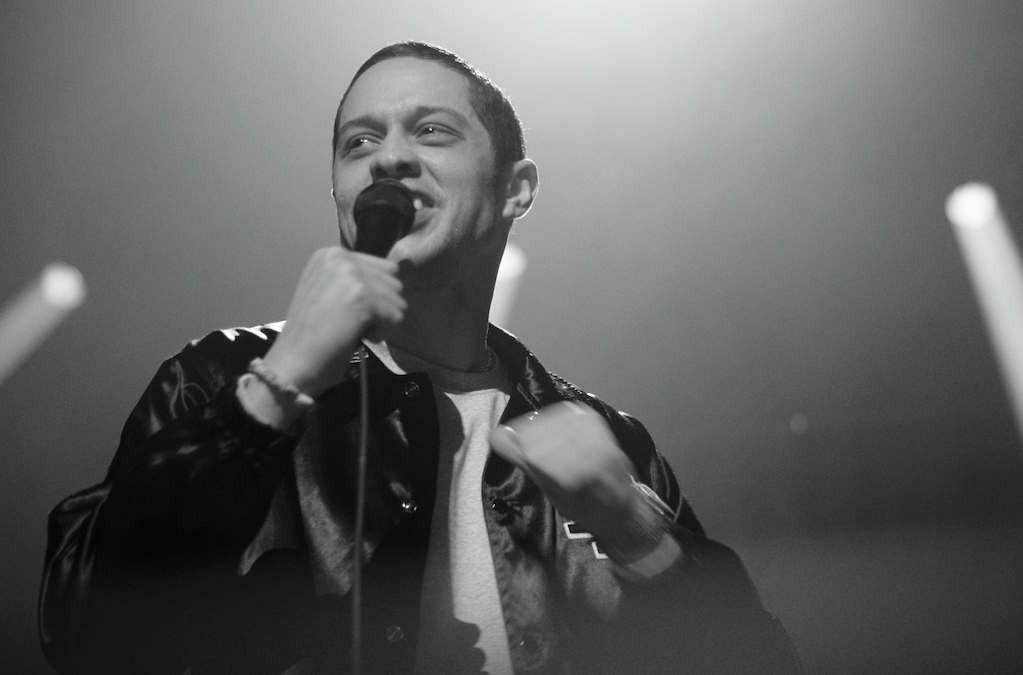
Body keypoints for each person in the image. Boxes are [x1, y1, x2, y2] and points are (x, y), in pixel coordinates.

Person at [39, 42, 800, 675]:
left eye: (431, 131)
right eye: (359, 143)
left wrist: (639, 536)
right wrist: (274, 391)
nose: (388, 160)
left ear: (516, 189)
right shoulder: (221, 377)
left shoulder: (608, 438)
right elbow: (82, 630)